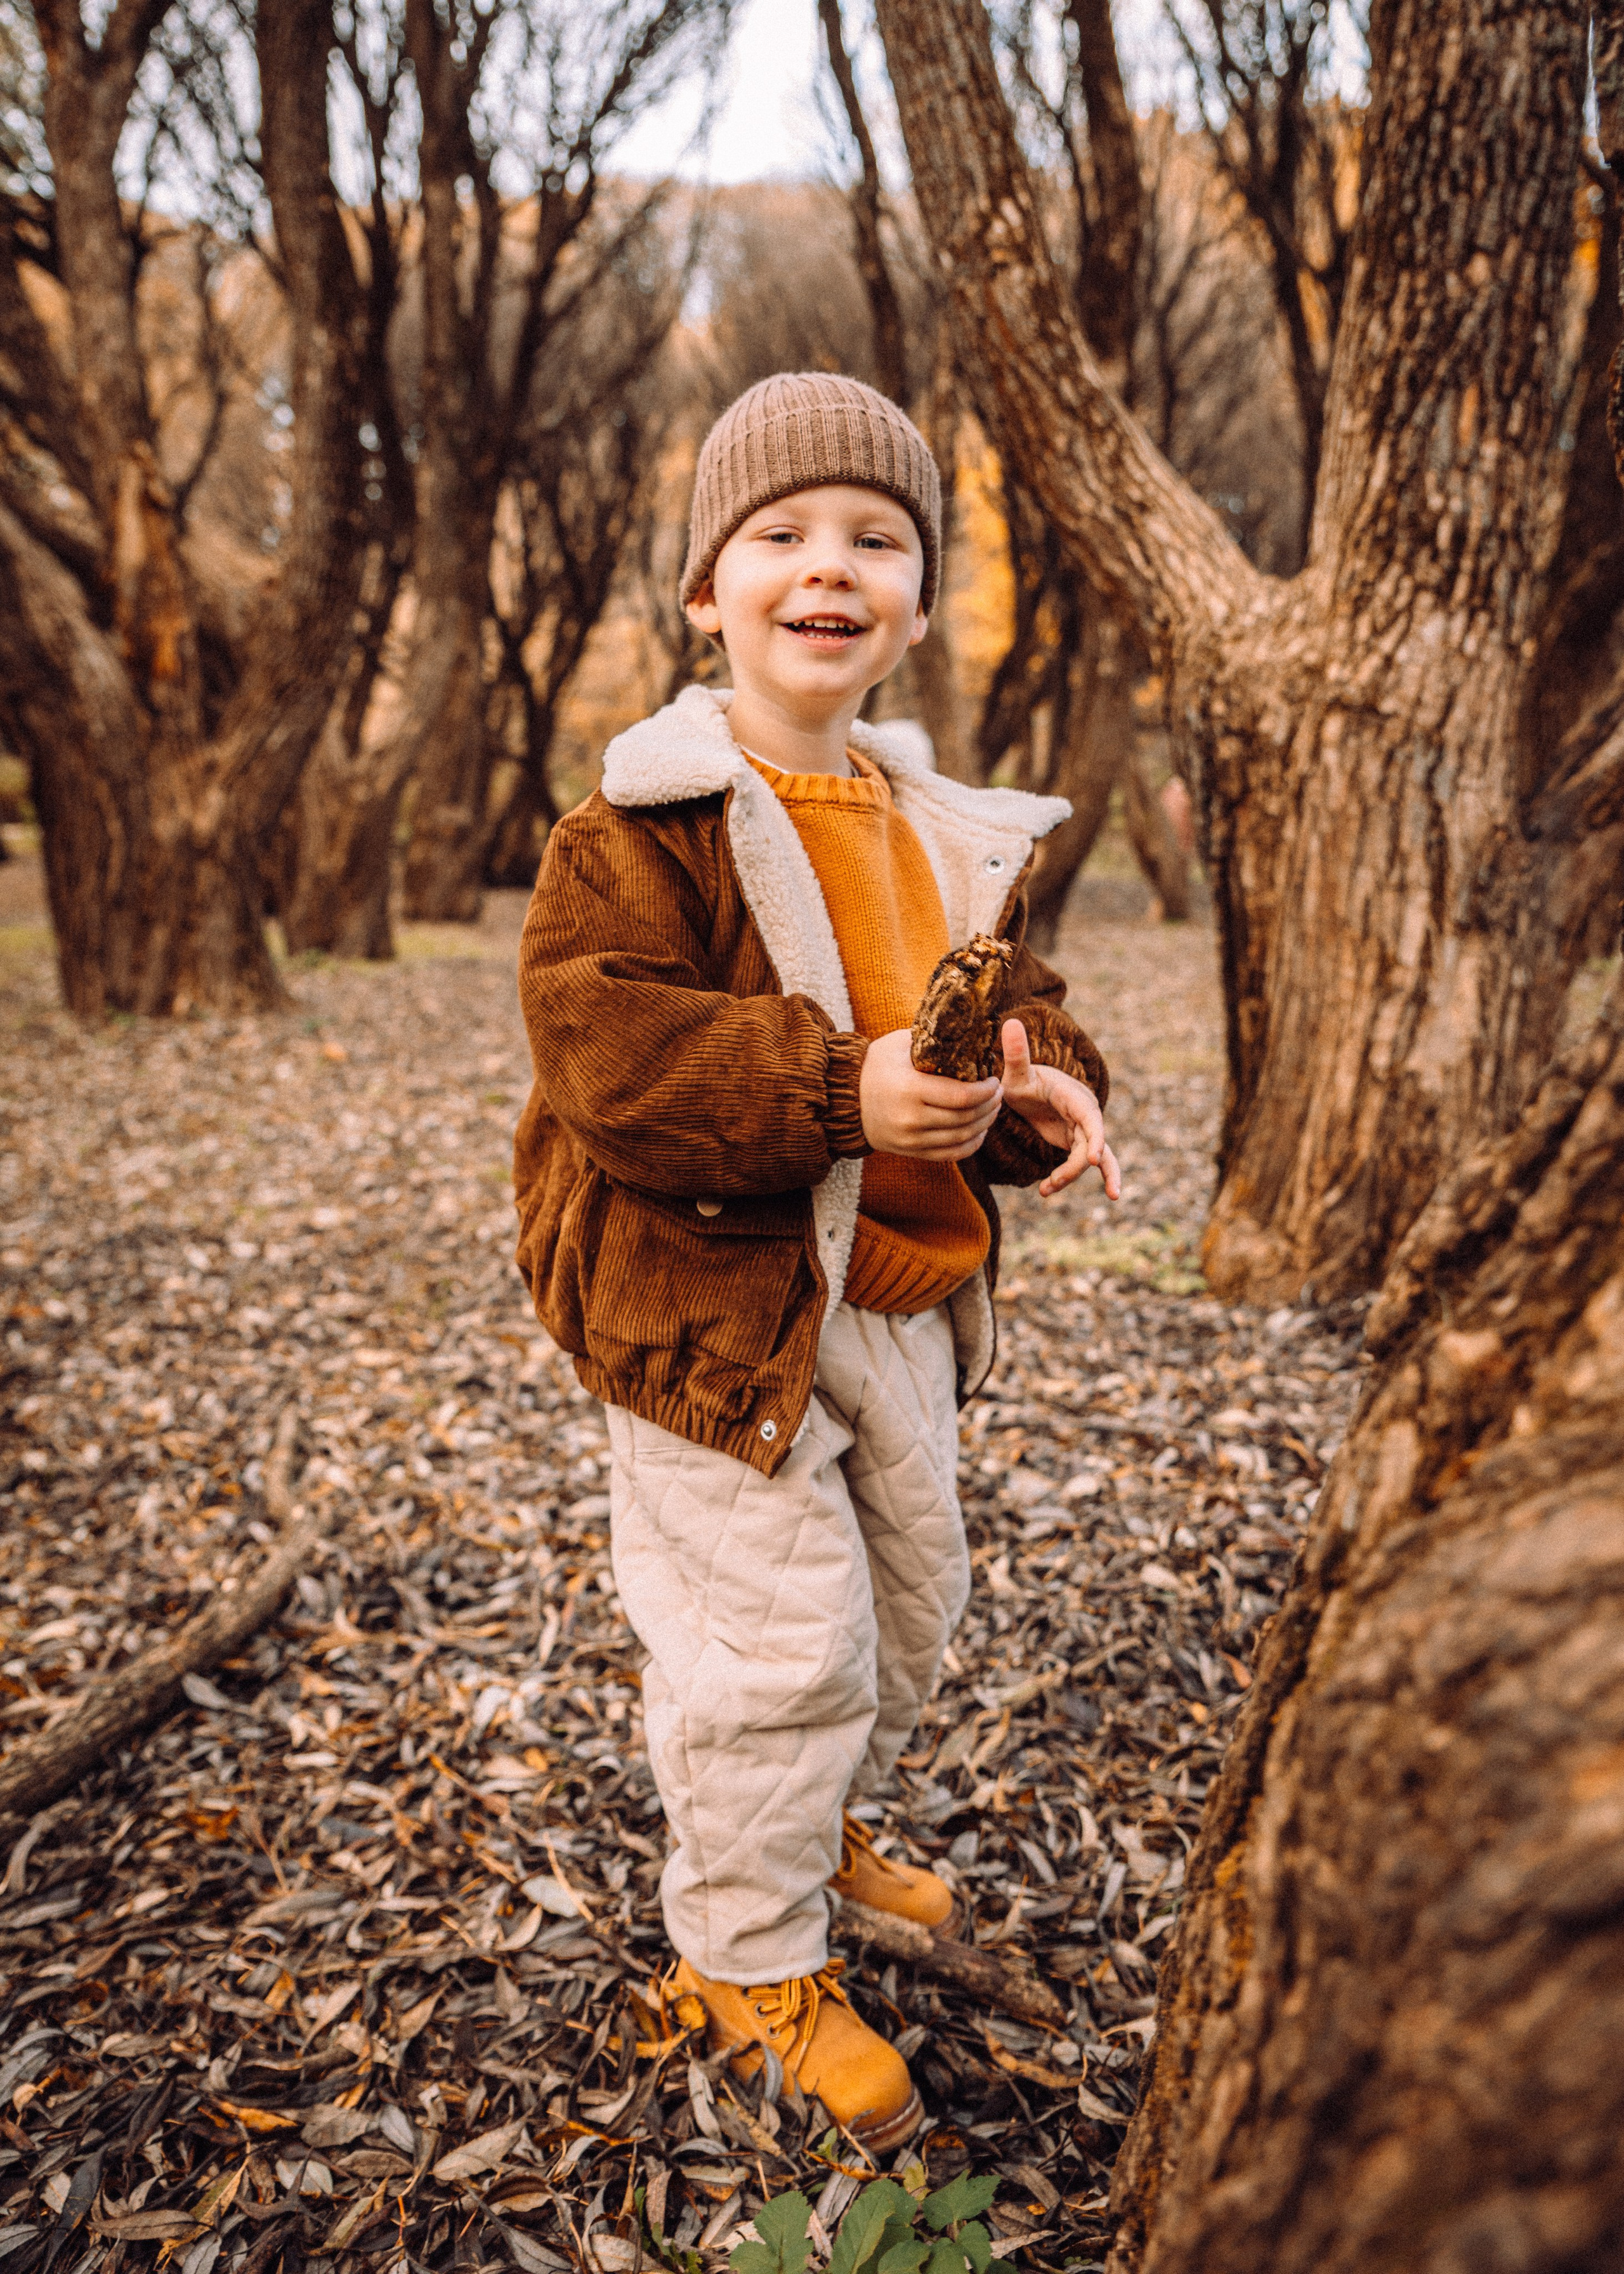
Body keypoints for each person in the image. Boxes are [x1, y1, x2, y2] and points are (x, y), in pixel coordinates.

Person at [513, 372, 1120, 2149]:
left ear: (921, 600)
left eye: (875, 538)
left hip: (898, 1309)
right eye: (778, 537)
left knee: (904, 1617)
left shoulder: (950, 833)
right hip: (714, 1322)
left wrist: (1039, 1097)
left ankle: (811, 1819)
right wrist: (838, 1089)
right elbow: (609, 1059)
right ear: (710, 591)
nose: (826, 567)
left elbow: (1013, 1032)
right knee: (771, 1651)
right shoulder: (639, 828)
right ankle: (748, 1946)